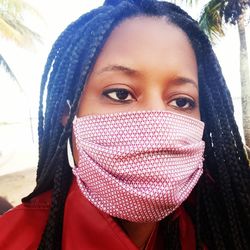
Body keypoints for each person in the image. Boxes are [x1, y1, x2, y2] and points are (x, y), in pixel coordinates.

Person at [1, 0, 250, 249]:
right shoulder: (11, 240)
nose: (156, 124)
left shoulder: (223, 229)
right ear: (68, 112)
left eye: (182, 101)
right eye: (120, 94)